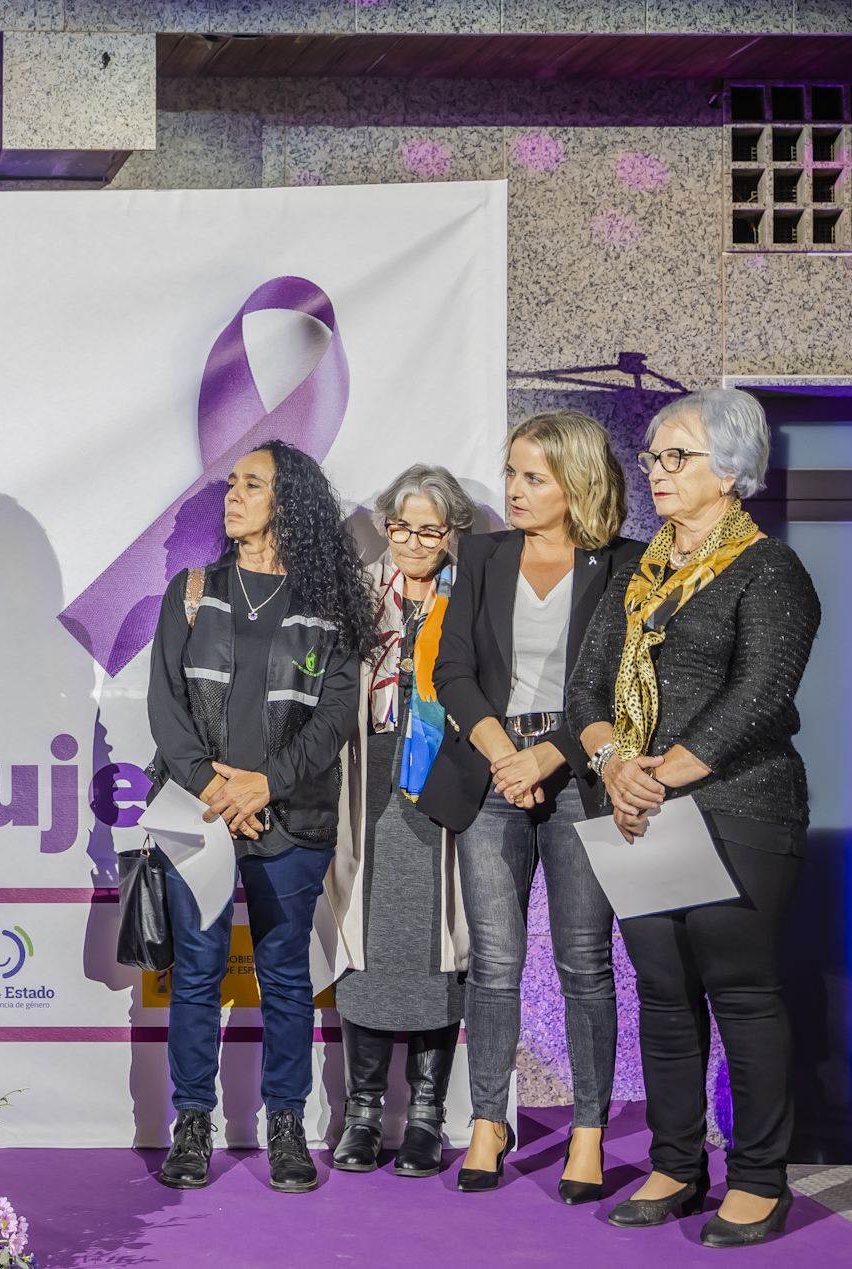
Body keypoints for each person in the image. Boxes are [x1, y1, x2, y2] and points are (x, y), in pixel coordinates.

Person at [570, 388, 819, 1247]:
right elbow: (585, 691)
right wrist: (615, 763)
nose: (658, 470)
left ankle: (759, 1181)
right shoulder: (637, 574)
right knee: (664, 994)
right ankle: (677, 1164)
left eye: (678, 455)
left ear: (733, 470)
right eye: (654, 456)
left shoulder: (769, 569)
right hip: (640, 810)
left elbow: (759, 695)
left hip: (740, 808)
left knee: (741, 994)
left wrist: (656, 776)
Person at [147, 439, 375, 1194]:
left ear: (290, 502)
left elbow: (335, 719)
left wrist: (264, 786)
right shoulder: (192, 590)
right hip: (198, 812)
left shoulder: (330, 605)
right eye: (232, 483)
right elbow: (166, 708)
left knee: (284, 975)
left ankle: (287, 1126)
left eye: (253, 484)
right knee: (196, 972)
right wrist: (216, 791)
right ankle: (191, 1124)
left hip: (292, 817)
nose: (233, 495)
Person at [430, 409, 643, 1198]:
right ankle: (490, 1120)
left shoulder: (627, 564)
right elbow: (452, 671)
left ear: (575, 483)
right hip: (491, 770)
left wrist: (549, 756)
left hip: (581, 775)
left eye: (533, 477)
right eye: (512, 473)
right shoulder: (482, 555)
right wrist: (505, 759)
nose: (513, 490)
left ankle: (588, 1130)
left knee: (585, 960)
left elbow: (629, 686)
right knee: (495, 961)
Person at [326, 465, 476, 1178]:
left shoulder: (471, 597)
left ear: (452, 534)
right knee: (365, 943)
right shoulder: (355, 594)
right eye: (401, 526)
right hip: (367, 779)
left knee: (437, 949)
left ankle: (425, 1116)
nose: (412, 541)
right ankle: (362, 1113)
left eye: (429, 530)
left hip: (443, 784)